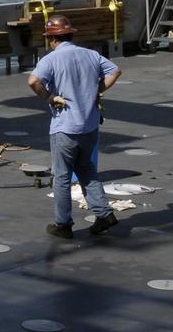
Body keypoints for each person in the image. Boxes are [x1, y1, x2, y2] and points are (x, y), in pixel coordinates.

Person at [27, 15, 122, 239]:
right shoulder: (91, 55)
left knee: (61, 177)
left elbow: (33, 81)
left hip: (65, 128)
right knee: (87, 170)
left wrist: (50, 98)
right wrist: (96, 91)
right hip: (89, 125)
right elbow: (115, 71)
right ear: (71, 34)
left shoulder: (50, 60)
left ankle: (63, 224)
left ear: (51, 38)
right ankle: (104, 214)